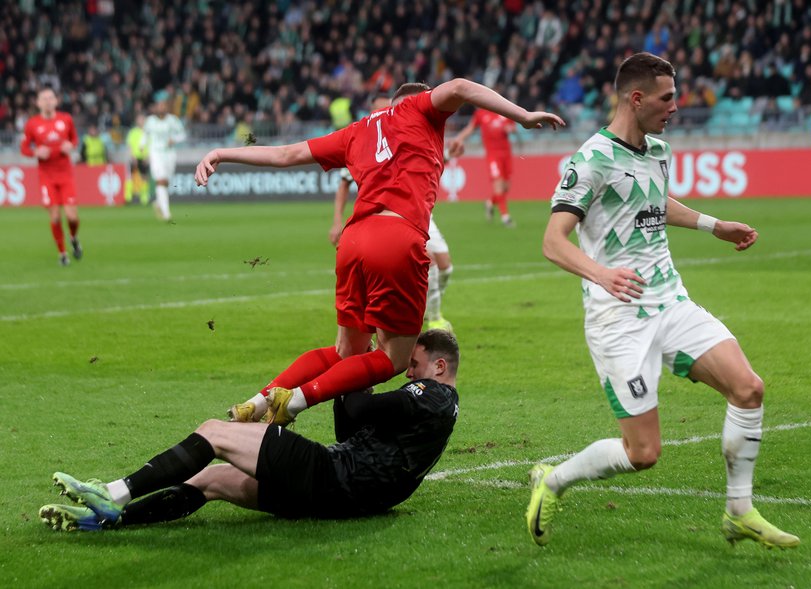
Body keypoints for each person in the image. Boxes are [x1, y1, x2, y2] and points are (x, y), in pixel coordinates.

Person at [527, 52, 799, 550]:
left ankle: (739, 511)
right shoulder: (591, 160)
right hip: (618, 319)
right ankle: (553, 479)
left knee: (748, 388)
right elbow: (554, 241)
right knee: (644, 452)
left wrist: (715, 226)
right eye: (667, 97)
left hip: (670, 301)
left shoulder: (657, 151)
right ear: (637, 98)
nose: (676, 106)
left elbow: (652, 203)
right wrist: (602, 274)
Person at [195, 79, 563, 427]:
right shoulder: (420, 109)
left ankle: (257, 402)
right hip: (396, 238)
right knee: (394, 358)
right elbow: (463, 87)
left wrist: (221, 153)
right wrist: (524, 115)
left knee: (345, 353)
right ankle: (292, 402)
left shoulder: (357, 131)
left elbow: (287, 153)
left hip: (354, 240)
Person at [39, 330, 460, 532]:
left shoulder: (431, 394)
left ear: (439, 367)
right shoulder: (438, 407)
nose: (405, 370)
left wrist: (360, 360)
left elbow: (362, 404)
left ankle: (114, 493)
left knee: (214, 432)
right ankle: (106, 522)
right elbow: (353, 421)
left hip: (334, 477)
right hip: (348, 495)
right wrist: (355, 374)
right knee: (213, 481)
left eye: (414, 364)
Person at [330, 96, 456, 333]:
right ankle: (433, 319)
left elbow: (427, 167)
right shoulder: (366, 140)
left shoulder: (407, 132)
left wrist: (448, 156)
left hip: (421, 213)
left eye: (386, 108)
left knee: (446, 267)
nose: (384, 113)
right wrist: (337, 220)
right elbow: (344, 182)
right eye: (378, 109)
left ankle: (426, 309)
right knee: (424, 261)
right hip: (390, 218)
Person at [19, 86, 83, 267]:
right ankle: (62, 253)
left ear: (56, 101)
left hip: (65, 174)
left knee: (72, 217)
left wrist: (70, 146)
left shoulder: (66, 119)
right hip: (46, 176)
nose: (47, 101)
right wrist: (36, 152)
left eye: (50, 98)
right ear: (38, 103)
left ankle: (73, 238)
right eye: (44, 98)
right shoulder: (32, 124)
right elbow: (24, 148)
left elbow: (75, 139)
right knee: (55, 217)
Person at [448, 105, 517, 227]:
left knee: (506, 187)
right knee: (498, 185)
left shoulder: (503, 111)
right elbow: (470, 128)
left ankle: (490, 202)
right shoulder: (481, 114)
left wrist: (510, 129)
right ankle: (505, 217)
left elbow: (513, 127)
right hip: (493, 155)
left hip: (506, 154)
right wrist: (458, 138)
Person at [144, 92, 186, 221]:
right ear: (156, 107)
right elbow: (145, 135)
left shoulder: (173, 120)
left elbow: (183, 135)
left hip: (169, 154)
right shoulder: (150, 121)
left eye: (163, 105)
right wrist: (142, 147)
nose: (161, 108)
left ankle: (159, 203)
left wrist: (174, 139)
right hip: (155, 153)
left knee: (165, 182)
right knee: (160, 180)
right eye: (159, 105)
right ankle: (166, 213)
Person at [124, 114, 150, 205]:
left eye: (142, 119)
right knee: (130, 175)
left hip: (143, 158)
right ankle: (128, 195)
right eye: (139, 119)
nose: (141, 121)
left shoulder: (147, 132)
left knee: (144, 176)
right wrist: (132, 156)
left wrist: (147, 156)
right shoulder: (133, 132)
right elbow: (129, 145)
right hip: (134, 157)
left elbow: (150, 145)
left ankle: (144, 196)